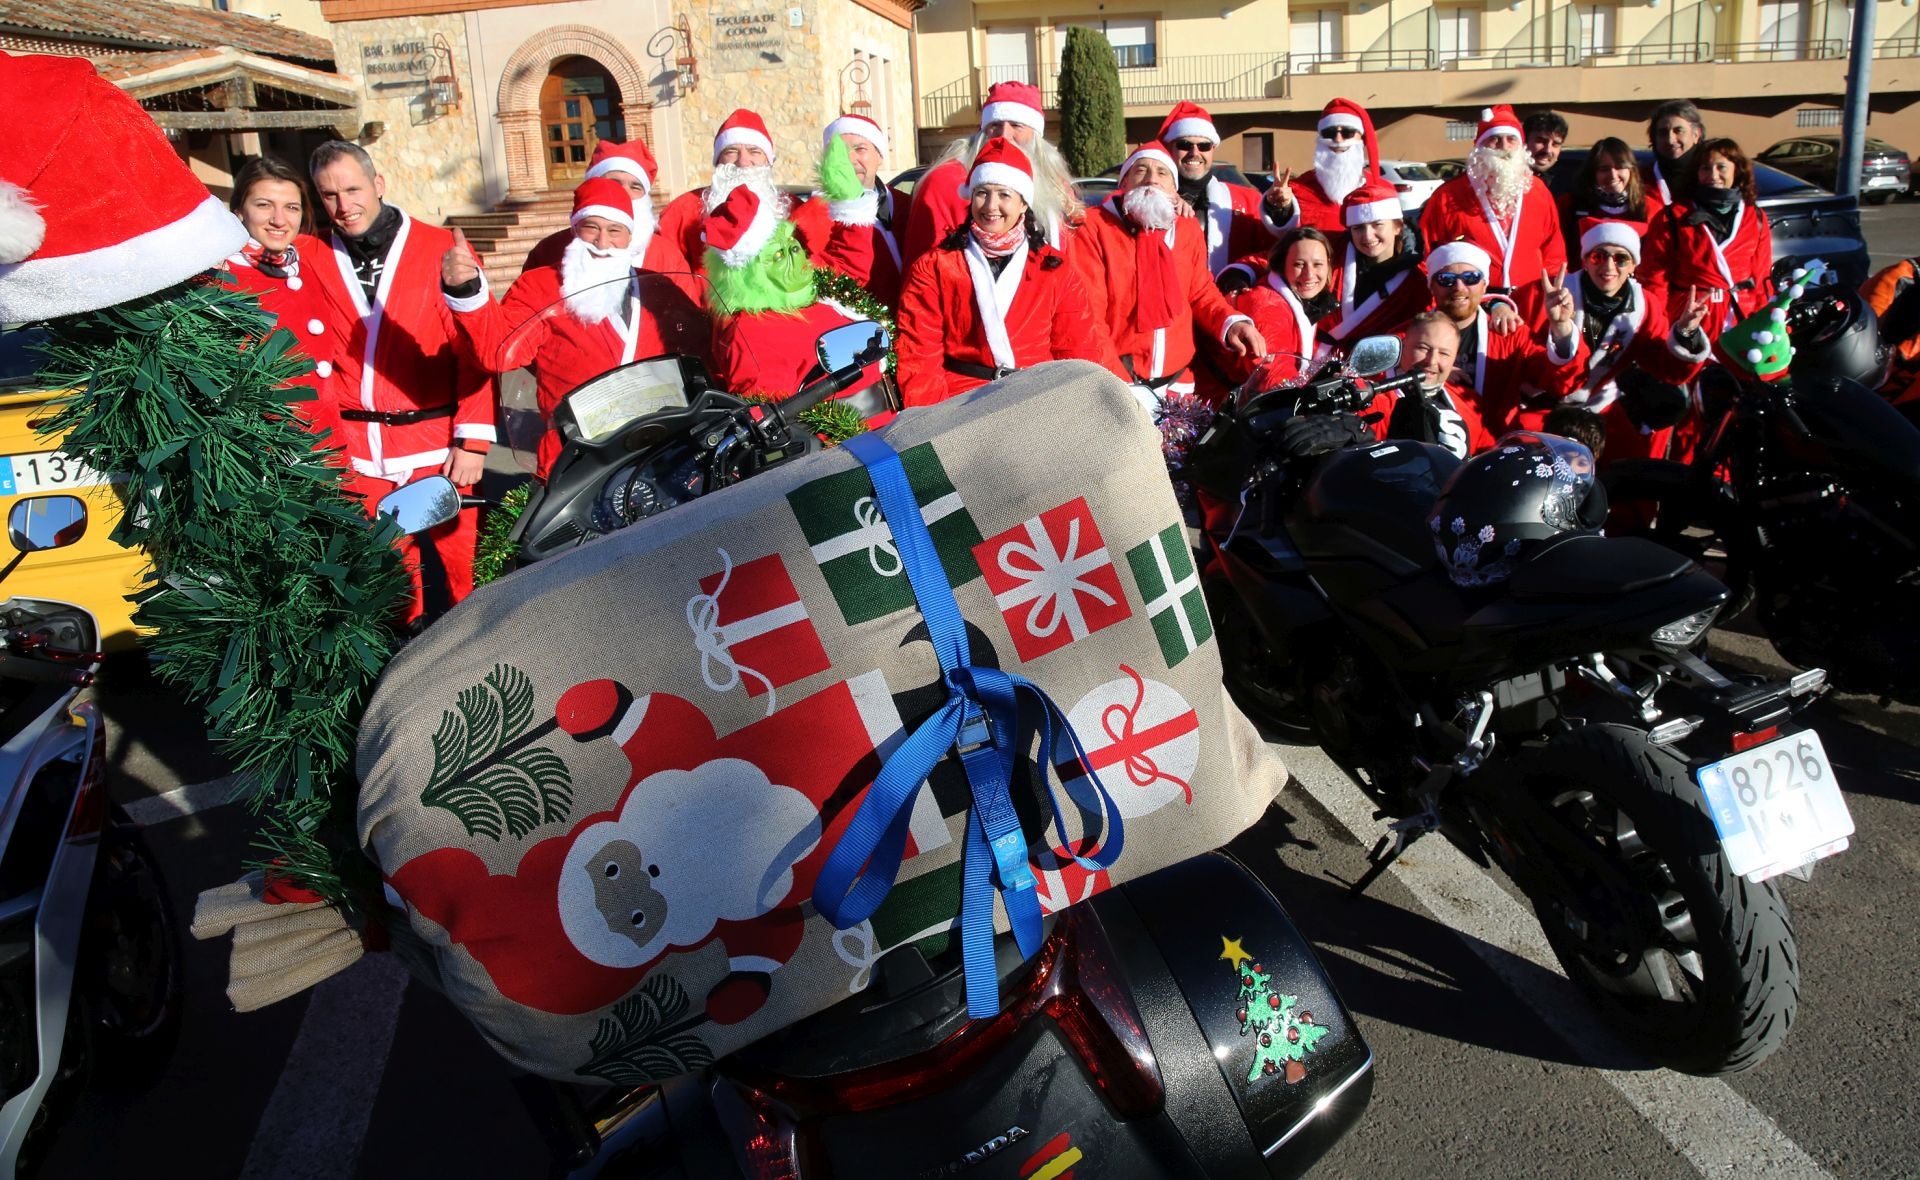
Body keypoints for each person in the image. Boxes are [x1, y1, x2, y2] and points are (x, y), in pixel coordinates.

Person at [305, 140, 494, 622]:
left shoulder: (439, 249)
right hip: (358, 449)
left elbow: (474, 350)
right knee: (387, 579)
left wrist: (472, 441)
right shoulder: (310, 255)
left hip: (436, 445)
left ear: (379, 185)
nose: (344, 206)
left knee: (463, 575)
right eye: (329, 195)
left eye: (353, 189)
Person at [440, 178, 708, 480]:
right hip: (575, 457)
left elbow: (699, 353)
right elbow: (497, 353)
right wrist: (467, 292)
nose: (602, 243)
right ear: (573, 230)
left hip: (658, 450)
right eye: (591, 227)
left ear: (630, 236)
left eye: (614, 230)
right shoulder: (541, 285)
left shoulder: (659, 288)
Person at [895, 137, 1124, 406]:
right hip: (960, 405)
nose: (991, 206)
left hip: (1037, 403)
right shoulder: (935, 267)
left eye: (1004, 195)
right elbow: (919, 356)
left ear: (1023, 204)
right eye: (982, 193)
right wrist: (931, 421)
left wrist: (1075, 408)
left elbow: (1077, 350)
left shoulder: (1055, 269)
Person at [701, 148, 890, 411]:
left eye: (793, 245)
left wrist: (850, 202)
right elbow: (775, 417)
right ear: (747, 273)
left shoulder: (813, 288)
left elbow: (850, 263)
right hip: (841, 443)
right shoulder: (750, 330)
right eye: (778, 254)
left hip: (889, 420)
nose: (796, 256)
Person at [1074, 144, 1263, 405]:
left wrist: (1231, 323)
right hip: (1117, 383)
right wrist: (1117, 383)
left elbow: (1200, 292)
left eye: (1162, 173)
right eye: (1141, 170)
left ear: (1174, 189)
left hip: (1178, 384)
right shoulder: (1095, 228)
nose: (1152, 179)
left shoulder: (1186, 228)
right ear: (1124, 181)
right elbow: (1090, 316)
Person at [1510, 221, 1712, 459]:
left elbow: (1667, 368)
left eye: (1621, 259)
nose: (1609, 266)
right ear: (1585, 260)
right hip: (1538, 405)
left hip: (1597, 407)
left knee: (1629, 470)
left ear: (1633, 266)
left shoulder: (1644, 307)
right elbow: (1508, 344)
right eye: (1598, 256)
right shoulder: (1544, 294)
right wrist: (1499, 305)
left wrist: (1686, 332)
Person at [222, 156, 347, 459]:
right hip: (266, 456)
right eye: (264, 205)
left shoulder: (307, 267)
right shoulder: (219, 280)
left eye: (291, 207)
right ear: (239, 211)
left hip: (329, 446)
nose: (280, 219)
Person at [902, 81, 1084, 267]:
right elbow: (922, 269)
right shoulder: (944, 183)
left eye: (1016, 125)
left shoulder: (1057, 187)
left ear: (1035, 134)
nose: (1003, 135)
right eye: (995, 124)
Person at [1418, 105, 1568, 327]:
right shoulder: (1448, 197)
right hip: (1472, 312)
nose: (1504, 147)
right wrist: (1489, 303)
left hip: (1532, 310)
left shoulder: (1538, 192)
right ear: (1479, 147)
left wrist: (1555, 294)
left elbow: (1553, 255)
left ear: (1521, 146)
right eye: (1495, 139)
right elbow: (1430, 262)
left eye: (1511, 139)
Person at [1412, 239, 1583, 432]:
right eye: (1446, 279)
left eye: (1471, 277)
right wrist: (1427, 371)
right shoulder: (1409, 336)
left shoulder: (1509, 334)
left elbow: (1562, 384)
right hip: (1430, 444)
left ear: (1485, 286)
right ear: (1431, 286)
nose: (1459, 287)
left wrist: (1561, 327)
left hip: (1495, 446)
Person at [1638, 137, 1773, 345]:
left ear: (1737, 170)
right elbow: (1655, 277)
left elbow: (1762, 276)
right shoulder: (1673, 217)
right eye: (1705, 168)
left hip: (1741, 317)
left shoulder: (1755, 216)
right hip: (1689, 316)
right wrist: (1658, 326)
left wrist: (1767, 319)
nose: (1713, 175)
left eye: (1721, 167)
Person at [520, 139, 689, 279]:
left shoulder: (666, 255)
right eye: (614, 183)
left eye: (635, 187)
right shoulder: (549, 251)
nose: (625, 194)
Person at [1156, 101, 1274, 278]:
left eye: (1204, 146)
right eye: (1184, 144)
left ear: (1213, 150)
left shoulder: (1248, 201)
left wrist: (1244, 270)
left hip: (1224, 301)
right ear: (1169, 148)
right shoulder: (1147, 200)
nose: (1194, 152)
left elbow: (1275, 251)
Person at [808, 112, 911, 307]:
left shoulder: (908, 206)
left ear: (879, 156)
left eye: (860, 149)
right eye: (839, 151)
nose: (850, 159)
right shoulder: (812, 216)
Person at [1320, 177, 1433, 352]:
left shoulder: (1418, 276)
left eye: (1377, 225)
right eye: (1358, 228)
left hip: (1380, 368)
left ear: (1398, 227)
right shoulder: (1331, 254)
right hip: (1315, 358)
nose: (1367, 236)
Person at [656, 109, 779, 267]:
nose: (743, 161)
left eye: (754, 152)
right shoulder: (680, 213)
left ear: (768, 161)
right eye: (732, 151)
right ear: (718, 160)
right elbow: (663, 268)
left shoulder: (793, 210)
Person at [1214, 227, 1333, 389]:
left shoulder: (1317, 297)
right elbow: (1273, 375)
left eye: (1318, 264)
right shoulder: (1266, 304)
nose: (1309, 275)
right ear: (1281, 265)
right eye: (1299, 264)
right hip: (1224, 401)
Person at [1379, 312, 1498, 458]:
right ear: (1403, 347)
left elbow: (1486, 458)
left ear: (1454, 359)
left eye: (1444, 353)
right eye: (1423, 348)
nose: (1432, 361)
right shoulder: (1372, 401)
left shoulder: (1469, 406)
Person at [1261, 98, 1381, 236]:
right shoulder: (1299, 190)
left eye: (1347, 132)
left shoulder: (1382, 188)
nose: (1338, 139)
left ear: (1362, 139)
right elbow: (1283, 235)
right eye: (1329, 133)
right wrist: (1279, 208)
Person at [1555, 137, 1664, 263]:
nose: (1613, 175)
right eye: (1604, 169)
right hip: (1579, 280)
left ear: (1631, 170)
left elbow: (1658, 259)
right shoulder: (1570, 205)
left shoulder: (1650, 208)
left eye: (1620, 167)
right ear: (1592, 173)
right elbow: (1557, 253)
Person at [1644, 99, 1706, 206]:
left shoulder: (1711, 174)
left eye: (1678, 131)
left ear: (1696, 134)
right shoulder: (1642, 178)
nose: (1670, 140)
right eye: (1663, 133)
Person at [1524, 111, 1569, 178]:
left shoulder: (1560, 184)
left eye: (1555, 144)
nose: (1548, 150)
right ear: (1524, 141)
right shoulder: (1506, 182)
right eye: (1541, 141)